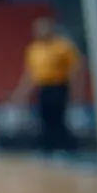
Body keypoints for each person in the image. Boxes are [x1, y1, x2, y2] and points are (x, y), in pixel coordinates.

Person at [11, 17, 82, 155]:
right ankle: (48, 149)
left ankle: (65, 149)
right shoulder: (33, 49)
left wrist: (76, 91)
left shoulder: (63, 47)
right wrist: (21, 92)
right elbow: (30, 73)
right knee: (44, 118)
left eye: (43, 28)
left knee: (58, 118)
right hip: (43, 88)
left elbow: (76, 69)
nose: (39, 31)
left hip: (59, 87)